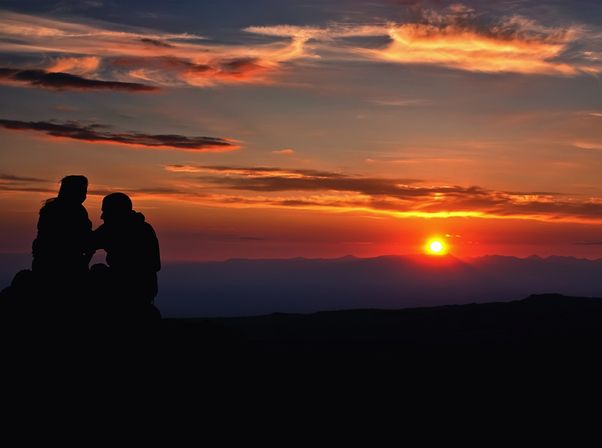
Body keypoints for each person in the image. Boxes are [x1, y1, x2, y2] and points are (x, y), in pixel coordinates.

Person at [92, 193, 161, 307]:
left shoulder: (112, 229)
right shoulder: (145, 228)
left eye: (105, 211)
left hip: (129, 289)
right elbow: (156, 265)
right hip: (147, 289)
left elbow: (87, 242)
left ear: (116, 212)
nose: (102, 216)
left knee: (97, 271)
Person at [32, 175, 93, 279]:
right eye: (82, 191)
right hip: (64, 265)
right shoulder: (74, 211)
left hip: (46, 263)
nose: (84, 195)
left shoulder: (52, 208)